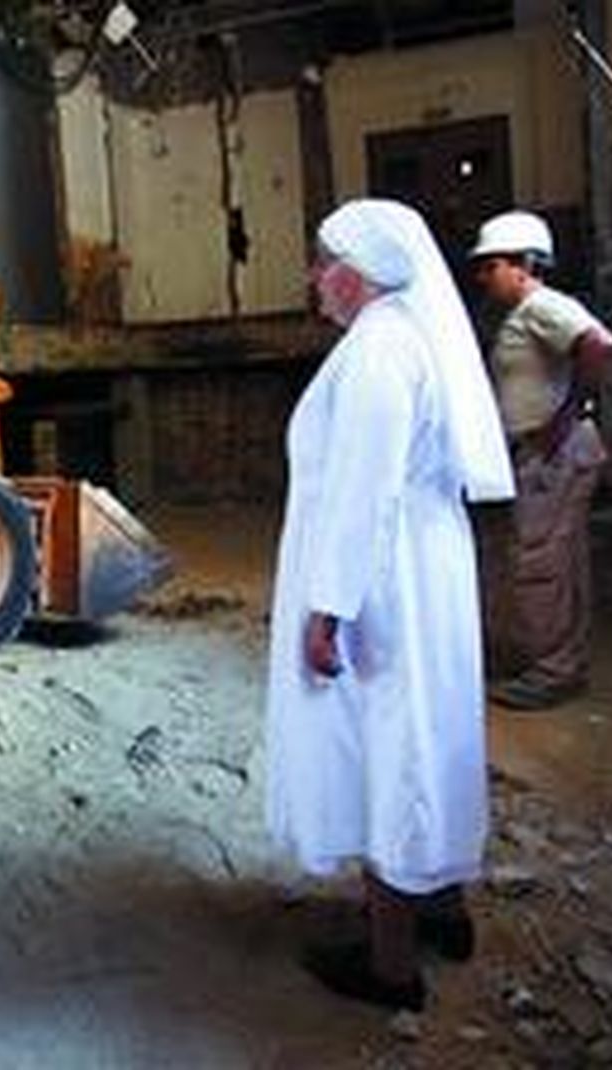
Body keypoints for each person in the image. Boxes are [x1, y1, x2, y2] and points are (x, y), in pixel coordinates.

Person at [266, 199, 514, 1011]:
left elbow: (362, 493)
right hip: (416, 569)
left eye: (322, 261)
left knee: (389, 746)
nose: (314, 278)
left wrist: (327, 609)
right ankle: (443, 909)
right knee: (427, 733)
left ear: (361, 271)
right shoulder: (412, 335)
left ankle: (391, 963)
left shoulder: (378, 351)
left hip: (383, 585)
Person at [470, 211, 612, 710]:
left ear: (524, 265)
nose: (484, 276)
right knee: (553, 559)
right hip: (543, 453)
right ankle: (552, 660)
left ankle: (556, 671)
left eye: (492, 266)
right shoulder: (522, 315)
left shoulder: (543, 306)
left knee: (542, 562)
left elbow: (598, 344)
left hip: (555, 452)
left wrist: (566, 416)